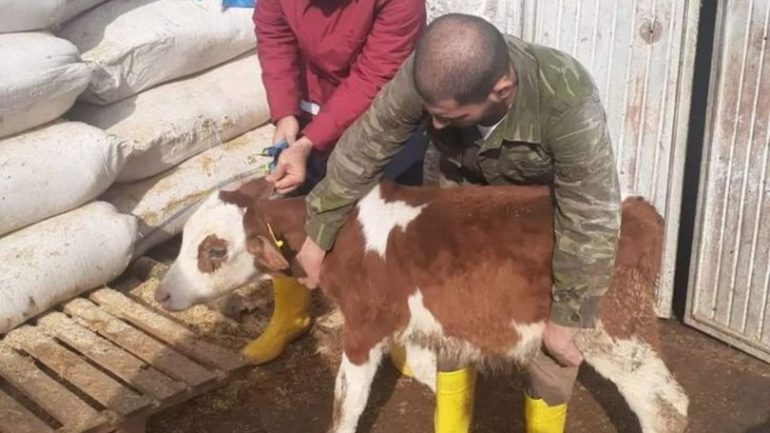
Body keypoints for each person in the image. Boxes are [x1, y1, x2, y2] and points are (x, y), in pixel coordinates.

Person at [295, 13, 622, 433]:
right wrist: (318, 231)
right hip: (458, 189)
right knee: (448, 312)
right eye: (431, 113)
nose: (434, 125)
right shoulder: (429, 75)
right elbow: (366, 145)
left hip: (536, 215)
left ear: (501, 91)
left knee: (553, 341)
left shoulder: (566, 97)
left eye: (451, 118)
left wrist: (569, 315)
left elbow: (591, 211)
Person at [245, 0, 426, 366]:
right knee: (287, 210)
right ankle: (290, 316)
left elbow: (374, 76)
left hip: (384, 111)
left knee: (385, 225)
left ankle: (397, 323)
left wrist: (310, 142)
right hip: (312, 104)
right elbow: (274, 36)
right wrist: (285, 115)